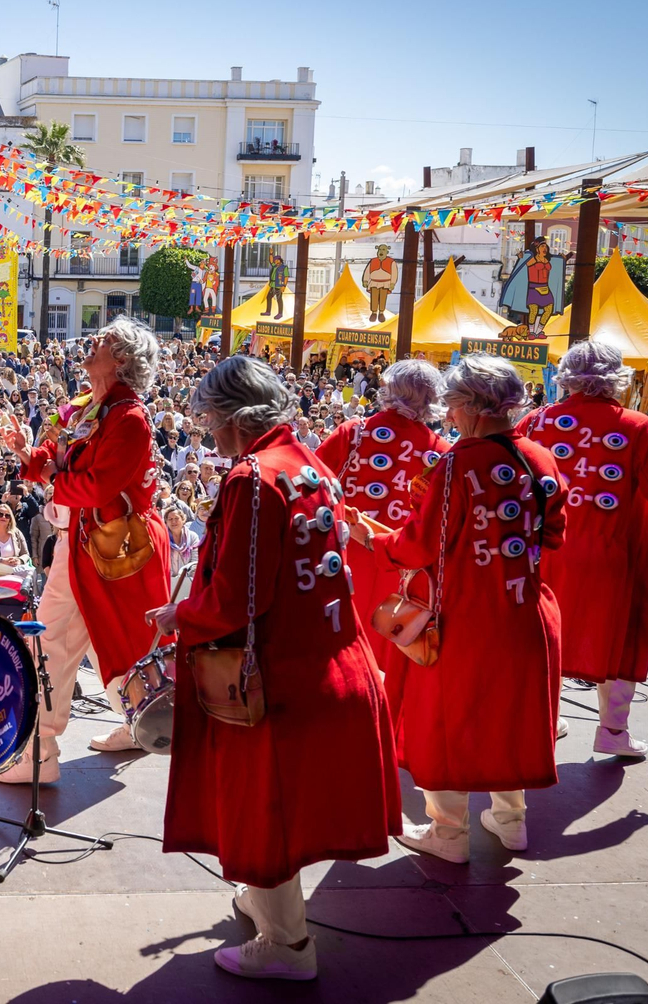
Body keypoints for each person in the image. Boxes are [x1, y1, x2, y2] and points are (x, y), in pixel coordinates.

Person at [154, 357, 400, 982]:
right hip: (335, 660)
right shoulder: (309, 462)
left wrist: (179, 615)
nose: (206, 430)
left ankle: (287, 943)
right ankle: (267, 902)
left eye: (210, 417)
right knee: (280, 810)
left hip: (277, 678)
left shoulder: (251, 477)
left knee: (261, 811)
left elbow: (236, 597)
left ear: (235, 417)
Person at [351, 356, 566, 863]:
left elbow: (420, 547)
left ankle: (448, 833)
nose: (447, 414)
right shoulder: (540, 457)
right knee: (510, 717)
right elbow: (553, 535)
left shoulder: (456, 463)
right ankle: (512, 822)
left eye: (451, 403)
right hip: (525, 612)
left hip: (464, 616)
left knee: (445, 722)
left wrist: (372, 539)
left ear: (472, 407)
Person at [0, 317, 173, 774]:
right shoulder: (83, 407)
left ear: (121, 359)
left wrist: (53, 477)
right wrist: (25, 453)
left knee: (70, 642)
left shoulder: (130, 418)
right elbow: (53, 464)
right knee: (82, 640)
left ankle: (43, 749)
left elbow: (94, 487)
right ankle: (74, 737)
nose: (91, 340)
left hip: (115, 553)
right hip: (83, 548)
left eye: (103, 339)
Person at [527, 340, 648, 757]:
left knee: (543, 636)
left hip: (545, 554)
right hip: (617, 555)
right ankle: (612, 731)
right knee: (623, 637)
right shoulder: (637, 427)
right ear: (618, 379)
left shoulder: (536, 422)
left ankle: (545, 719)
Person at [315, 360, 450, 693]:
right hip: (401, 571)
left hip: (340, 560)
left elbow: (311, 485)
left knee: (333, 656)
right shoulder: (440, 452)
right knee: (389, 668)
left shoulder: (354, 431)